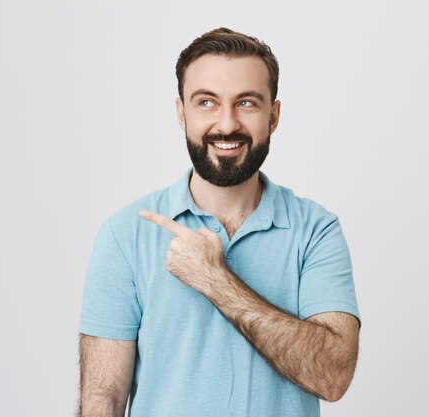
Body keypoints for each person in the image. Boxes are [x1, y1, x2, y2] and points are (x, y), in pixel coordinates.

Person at [77, 27, 361, 417]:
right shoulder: (125, 233)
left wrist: (215, 279)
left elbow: (332, 376)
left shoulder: (316, 230)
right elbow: (102, 399)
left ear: (273, 116)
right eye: (207, 102)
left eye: (246, 103)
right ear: (182, 113)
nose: (226, 124)